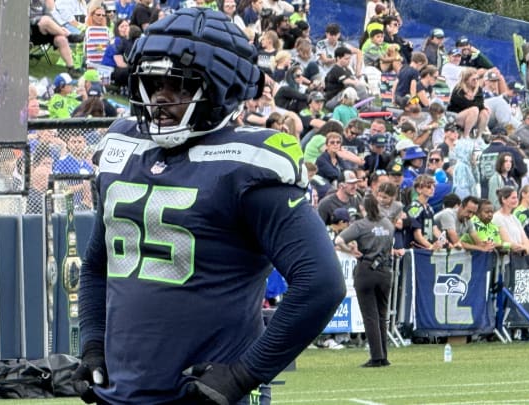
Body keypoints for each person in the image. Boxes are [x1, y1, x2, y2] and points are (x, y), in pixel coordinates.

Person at [72, 9, 346, 405]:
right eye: (151, 84)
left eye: (178, 86)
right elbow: (99, 264)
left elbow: (321, 284)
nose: (159, 99)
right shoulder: (122, 147)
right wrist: (93, 346)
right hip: (120, 393)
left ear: (221, 90)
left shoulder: (247, 163)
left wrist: (242, 374)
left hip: (204, 396)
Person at [335, 194, 395, 367]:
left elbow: (339, 240)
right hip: (385, 270)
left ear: (363, 208)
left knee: (370, 316)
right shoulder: (387, 224)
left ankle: (376, 356)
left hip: (367, 269)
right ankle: (383, 355)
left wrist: (350, 250)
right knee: (382, 315)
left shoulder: (361, 225)